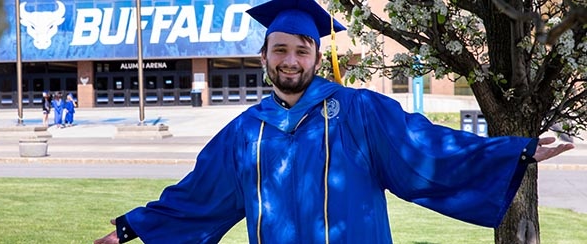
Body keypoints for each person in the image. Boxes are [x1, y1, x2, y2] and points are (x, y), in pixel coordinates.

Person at [94, 0, 575, 243]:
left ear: (316, 57)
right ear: (263, 56)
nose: (289, 59)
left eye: (300, 50)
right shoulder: (246, 133)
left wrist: (517, 149)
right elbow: (197, 198)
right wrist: (129, 228)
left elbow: (425, 149)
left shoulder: (359, 113)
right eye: (280, 49)